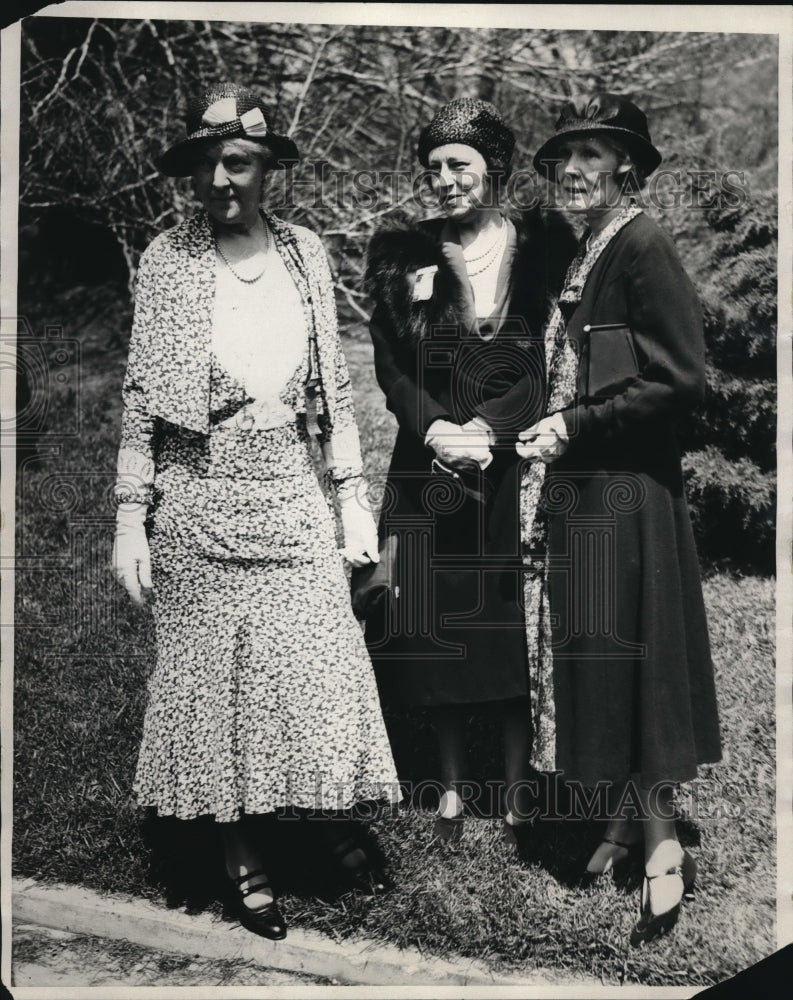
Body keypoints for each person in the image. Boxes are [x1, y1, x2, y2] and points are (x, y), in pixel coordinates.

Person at [112, 83, 400, 940]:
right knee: (216, 684)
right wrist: (132, 516)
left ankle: (312, 814)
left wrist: (350, 500)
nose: (219, 181)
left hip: (289, 490)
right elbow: (139, 400)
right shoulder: (169, 258)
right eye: (204, 166)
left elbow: (336, 390)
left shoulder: (307, 252)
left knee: (314, 662)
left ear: (268, 168)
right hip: (199, 496)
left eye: (236, 162)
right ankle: (240, 854)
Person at [520, 93, 721, 945]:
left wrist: (573, 424)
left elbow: (680, 377)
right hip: (589, 489)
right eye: (564, 156)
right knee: (604, 660)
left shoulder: (640, 244)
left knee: (630, 661)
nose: (573, 170)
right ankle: (624, 824)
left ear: (626, 167)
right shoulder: (585, 252)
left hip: (629, 494)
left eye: (592, 156)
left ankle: (661, 846)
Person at [362, 98, 576, 846]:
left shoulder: (545, 245)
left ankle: (517, 785)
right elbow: (390, 367)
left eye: (460, 166)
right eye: (434, 169)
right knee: (434, 630)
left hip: (511, 470)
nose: (445, 181)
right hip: (428, 470)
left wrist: (490, 427)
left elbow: (542, 359)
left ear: (494, 169)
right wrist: (438, 430)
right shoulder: (401, 254)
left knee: (509, 624)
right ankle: (452, 788)